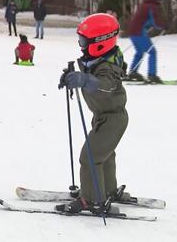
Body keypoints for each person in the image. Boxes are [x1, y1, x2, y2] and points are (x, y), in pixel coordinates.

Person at [56, 13, 129, 215]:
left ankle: (92, 200)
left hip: (113, 118)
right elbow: (88, 76)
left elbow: (104, 87)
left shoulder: (108, 67)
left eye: (84, 41)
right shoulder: (98, 59)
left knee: (89, 157)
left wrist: (84, 80)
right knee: (103, 155)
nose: (81, 46)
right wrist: (73, 77)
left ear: (100, 42)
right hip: (104, 117)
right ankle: (106, 190)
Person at [126, 0, 166, 83]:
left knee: (139, 52)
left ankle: (133, 72)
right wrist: (163, 26)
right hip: (139, 32)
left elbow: (143, 20)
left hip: (132, 32)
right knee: (152, 52)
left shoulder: (144, 5)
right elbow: (154, 21)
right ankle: (152, 75)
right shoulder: (152, 7)